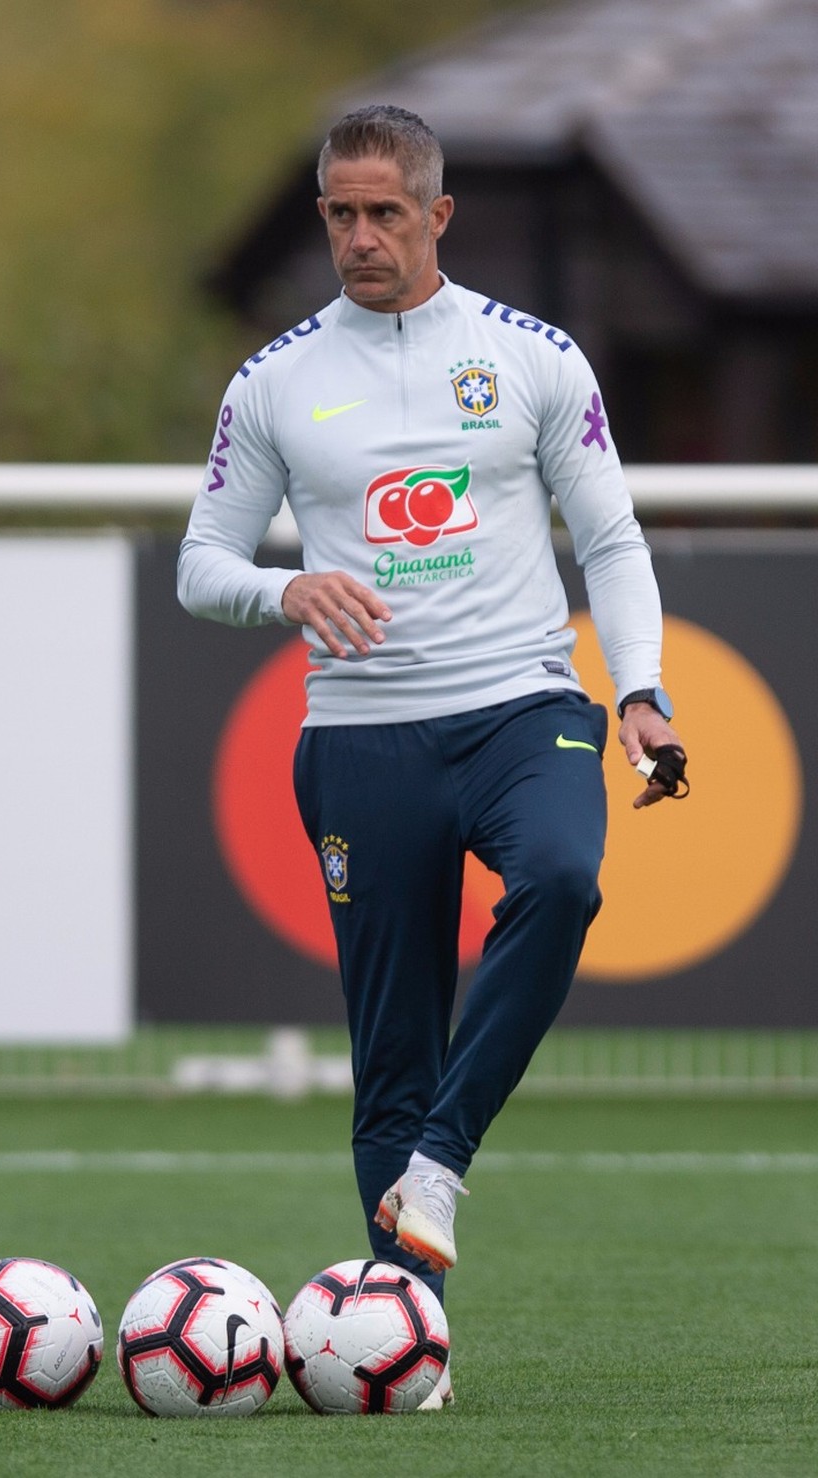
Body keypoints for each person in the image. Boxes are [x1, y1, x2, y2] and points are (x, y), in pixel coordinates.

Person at [177, 104, 687, 1405]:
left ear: (437, 215)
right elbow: (202, 565)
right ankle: (407, 1343)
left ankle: (443, 1161)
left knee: (566, 881)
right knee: (391, 1050)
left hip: (524, 707)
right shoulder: (276, 379)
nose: (360, 235)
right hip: (359, 738)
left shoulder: (533, 358)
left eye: (384, 212)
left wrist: (639, 690)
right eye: (339, 213)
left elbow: (613, 539)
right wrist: (286, 594)